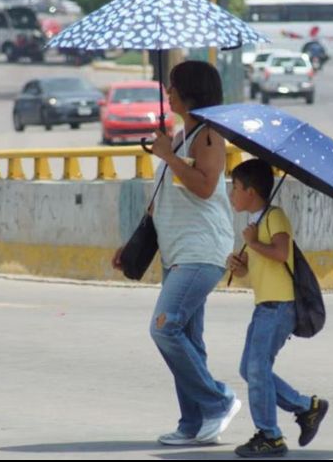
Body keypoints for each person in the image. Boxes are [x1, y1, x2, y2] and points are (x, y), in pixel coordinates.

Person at [111, 60, 240, 446]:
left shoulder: (209, 135)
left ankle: (218, 401)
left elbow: (204, 186)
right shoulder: (187, 134)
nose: (168, 93)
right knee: (189, 338)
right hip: (178, 250)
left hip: (202, 251)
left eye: (173, 87)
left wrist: (168, 156)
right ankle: (194, 424)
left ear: (190, 93)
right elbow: (166, 198)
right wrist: (133, 244)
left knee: (164, 329)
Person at [227, 159, 329, 458]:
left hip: (280, 306)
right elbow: (262, 266)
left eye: (235, 188)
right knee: (250, 369)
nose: (232, 194)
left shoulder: (274, 217)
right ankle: (306, 407)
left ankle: (270, 437)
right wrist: (240, 265)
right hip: (264, 306)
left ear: (251, 191)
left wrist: (253, 243)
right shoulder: (256, 223)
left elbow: (281, 252)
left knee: (257, 369)